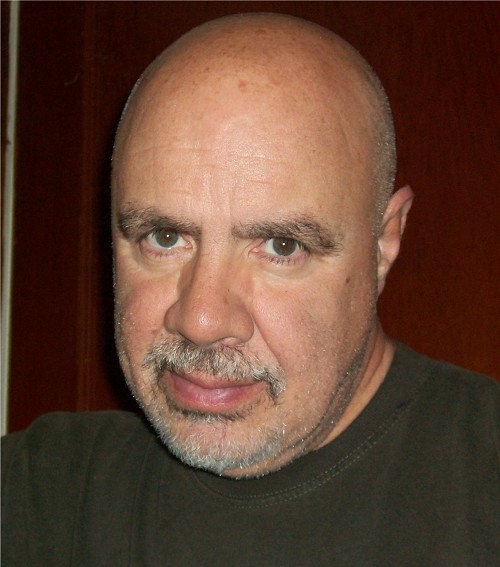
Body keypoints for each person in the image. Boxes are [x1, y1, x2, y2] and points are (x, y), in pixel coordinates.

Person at [2, 13, 498, 566]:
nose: (201, 320)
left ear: (382, 242)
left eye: (282, 246)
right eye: (164, 237)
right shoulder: (36, 498)